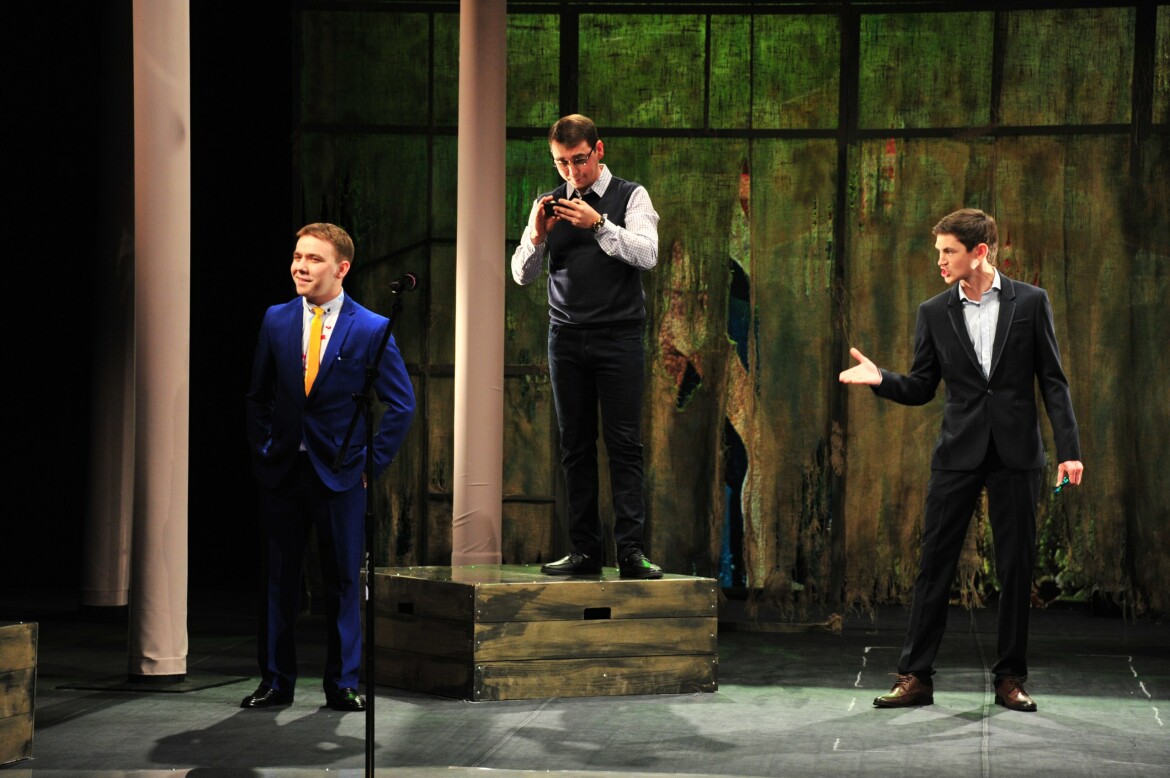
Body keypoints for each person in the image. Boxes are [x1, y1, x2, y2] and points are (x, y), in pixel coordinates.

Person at [839, 208, 1083, 712]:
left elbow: (1053, 382)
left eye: (948, 251)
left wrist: (1070, 451)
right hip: (958, 452)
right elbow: (922, 386)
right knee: (934, 564)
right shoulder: (934, 312)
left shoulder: (1031, 302)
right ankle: (915, 677)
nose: (940, 261)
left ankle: (1010, 678)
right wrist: (882, 379)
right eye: (939, 252)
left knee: (1015, 568)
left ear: (980, 252)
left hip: (1017, 454)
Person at [243, 222, 415, 710]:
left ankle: (342, 683)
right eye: (298, 256)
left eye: (313, 259)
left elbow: (401, 404)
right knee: (279, 580)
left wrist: (369, 464)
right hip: (283, 471)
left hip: (341, 475)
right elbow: (258, 396)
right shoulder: (276, 319)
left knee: (342, 581)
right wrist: (264, 450)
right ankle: (275, 681)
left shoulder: (371, 327)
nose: (300, 266)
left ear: (341, 268)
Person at [511, 113, 664, 580]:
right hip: (566, 338)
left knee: (624, 445)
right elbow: (521, 275)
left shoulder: (630, 195)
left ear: (599, 150)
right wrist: (536, 235)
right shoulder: (549, 203)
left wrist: (599, 225)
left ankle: (631, 552)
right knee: (575, 447)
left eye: (579, 160)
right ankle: (584, 550)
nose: (572, 172)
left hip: (619, 337)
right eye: (561, 163)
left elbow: (648, 254)